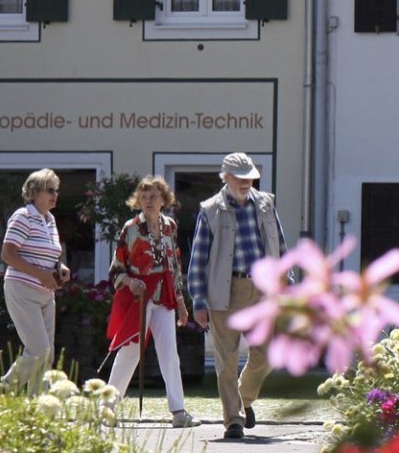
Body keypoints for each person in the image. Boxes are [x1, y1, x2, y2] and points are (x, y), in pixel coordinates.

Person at [188, 153, 285, 440]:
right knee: (226, 359)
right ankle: (233, 420)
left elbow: (280, 245)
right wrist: (198, 300)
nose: (246, 182)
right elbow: (198, 259)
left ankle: (243, 400)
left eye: (250, 177)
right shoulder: (210, 210)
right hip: (224, 289)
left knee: (265, 355)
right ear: (226, 177)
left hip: (264, 289)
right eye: (240, 177)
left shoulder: (266, 204)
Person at [104, 176, 198, 428]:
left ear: (163, 200)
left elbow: (174, 265)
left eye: (153, 196)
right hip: (140, 296)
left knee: (169, 353)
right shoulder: (131, 228)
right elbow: (116, 268)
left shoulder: (170, 226)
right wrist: (130, 281)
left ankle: (178, 411)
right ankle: (108, 409)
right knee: (130, 352)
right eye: (143, 197)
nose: (148, 201)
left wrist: (180, 302)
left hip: (164, 296)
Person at [0, 169, 71, 394]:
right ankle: (2, 393)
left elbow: (50, 255)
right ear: (34, 192)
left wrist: (60, 268)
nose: (54, 194)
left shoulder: (50, 220)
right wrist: (41, 275)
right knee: (39, 350)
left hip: (46, 294)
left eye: (56, 190)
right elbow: (8, 254)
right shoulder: (23, 216)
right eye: (50, 190)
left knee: (46, 356)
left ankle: (38, 410)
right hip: (22, 289)